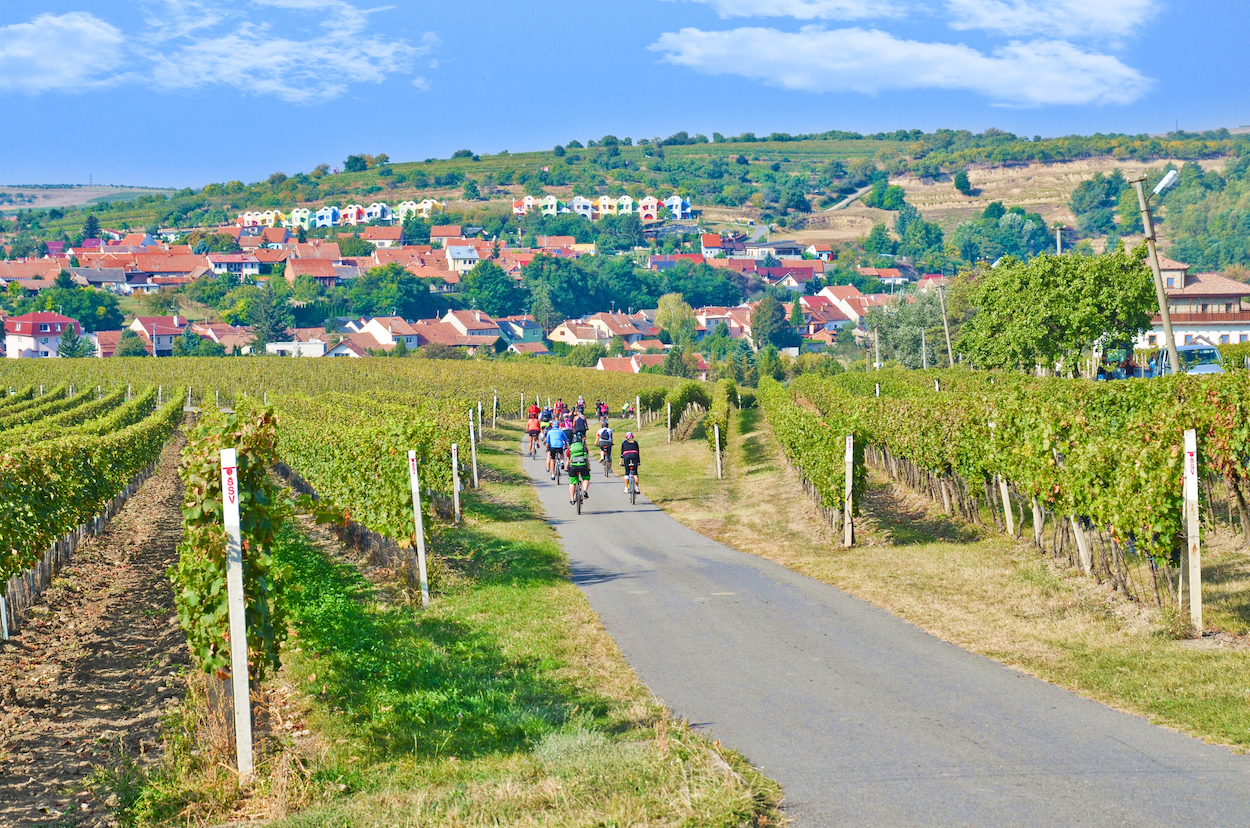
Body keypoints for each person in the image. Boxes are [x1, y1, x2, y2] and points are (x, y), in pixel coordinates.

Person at [566, 432, 592, 504]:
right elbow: (586, 459)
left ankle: (572, 499)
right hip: (583, 465)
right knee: (586, 479)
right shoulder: (584, 447)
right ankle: (584, 491)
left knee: (572, 482)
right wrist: (588, 467)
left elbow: (568, 459)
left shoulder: (570, 448)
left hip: (573, 466)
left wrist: (566, 467)